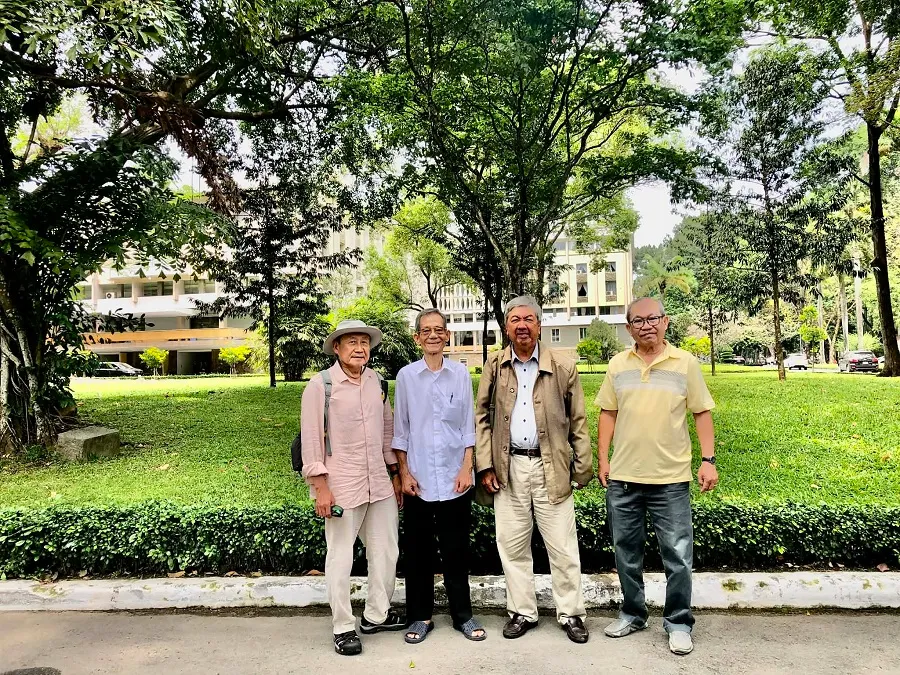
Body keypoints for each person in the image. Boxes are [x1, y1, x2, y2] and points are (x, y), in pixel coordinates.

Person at [596, 297, 718, 656]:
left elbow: (701, 412)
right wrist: (603, 459)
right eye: (638, 320)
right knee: (626, 552)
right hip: (624, 477)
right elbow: (608, 412)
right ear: (628, 327)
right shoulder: (618, 364)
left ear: (665, 322)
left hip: (670, 479)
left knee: (677, 556)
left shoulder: (685, 363)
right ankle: (633, 614)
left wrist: (708, 460)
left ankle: (678, 622)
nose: (646, 325)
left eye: (653, 319)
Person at [475, 295, 593, 644]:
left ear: (539, 325)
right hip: (508, 467)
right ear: (507, 327)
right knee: (512, 546)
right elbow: (481, 417)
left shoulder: (563, 366)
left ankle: (571, 613)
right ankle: (522, 612)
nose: (522, 325)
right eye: (515, 320)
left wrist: (582, 467)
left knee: (563, 547)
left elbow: (578, 419)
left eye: (528, 319)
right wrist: (485, 465)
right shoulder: (494, 365)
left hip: (550, 467)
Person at [300, 319, 406, 656]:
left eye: (364, 342)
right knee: (341, 555)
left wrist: (395, 473)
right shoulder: (321, 386)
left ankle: (376, 614)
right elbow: (312, 439)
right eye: (351, 342)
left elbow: (387, 430)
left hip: (379, 481)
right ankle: (343, 626)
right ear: (337, 348)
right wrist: (320, 487)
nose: (359, 348)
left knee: (386, 550)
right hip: (341, 483)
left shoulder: (376, 381)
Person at [392, 308, 487, 644]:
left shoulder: (460, 373)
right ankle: (420, 617)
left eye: (438, 330)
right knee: (418, 553)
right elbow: (400, 430)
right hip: (418, 479)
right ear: (417, 337)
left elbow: (468, 426)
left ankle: (463, 615)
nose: (433, 335)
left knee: (456, 550)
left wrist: (466, 467)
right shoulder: (406, 377)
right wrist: (404, 473)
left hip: (453, 477)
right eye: (426, 330)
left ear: (447, 336)